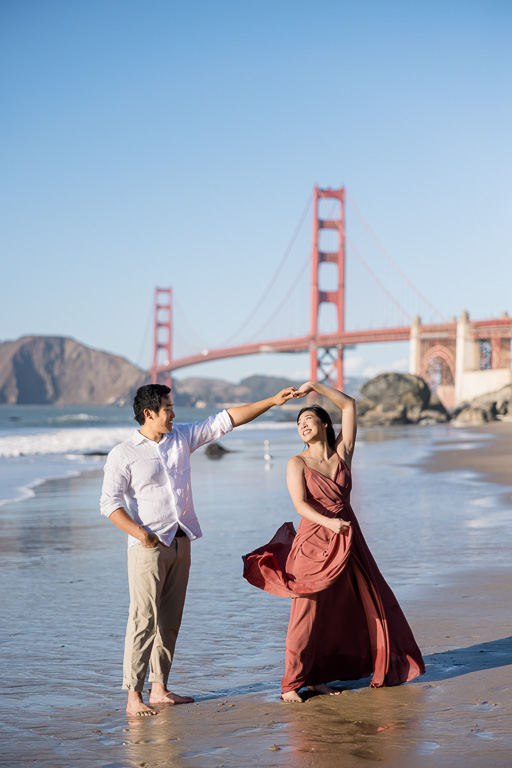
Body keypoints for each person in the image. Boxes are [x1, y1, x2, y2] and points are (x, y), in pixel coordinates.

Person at [100, 382, 296, 716]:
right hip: (148, 548)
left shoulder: (181, 437)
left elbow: (226, 420)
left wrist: (273, 401)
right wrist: (141, 534)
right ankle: (134, 696)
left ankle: (159, 688)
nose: (173, 413)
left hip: (182, 540)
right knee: (143, 619)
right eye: (167, 408)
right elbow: (109, 504)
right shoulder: (124, 453)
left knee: (170, 620)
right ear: (149, 414)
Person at [243, 380, 425, 703]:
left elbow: (350, 406)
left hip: (349, 539)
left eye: (308, 419)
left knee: (356, 605)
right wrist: (330, 523)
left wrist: (315, 386)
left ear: (325, 424)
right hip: (314, 540)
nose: (302, 426)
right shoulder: (296, 463)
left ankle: (318, 679)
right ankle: (290, 684)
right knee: (306, 613)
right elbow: (300, 506)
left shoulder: (343, 453)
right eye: (298, 424)